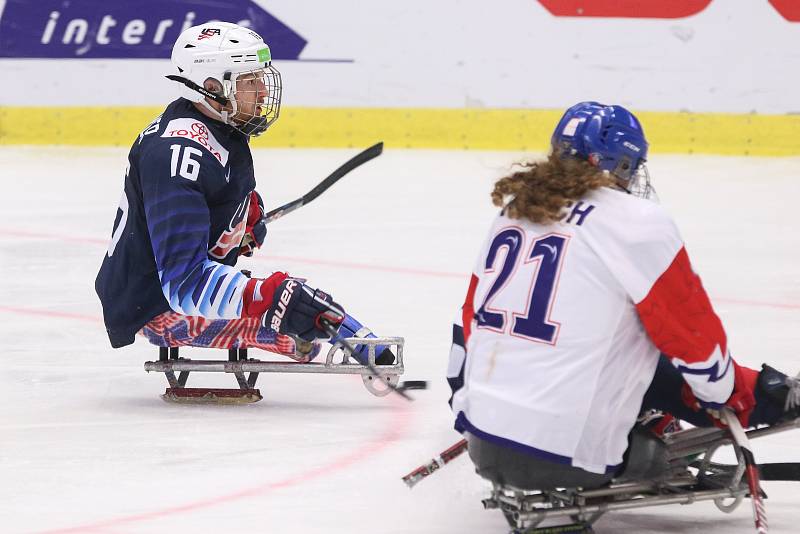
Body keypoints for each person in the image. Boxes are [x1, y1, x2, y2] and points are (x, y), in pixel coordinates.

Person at [447, 101, 799, 490]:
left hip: (481, 439)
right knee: (653, 349)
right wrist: (729, 394)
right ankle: (772, 395)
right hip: (569, 454)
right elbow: (692, 340)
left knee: (586, 335)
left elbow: (470, 318)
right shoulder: (637, 221)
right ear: (621, 165)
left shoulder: (516, 210)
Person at [95, 22, 388, 364]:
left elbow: (214, 189)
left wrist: (238, 217)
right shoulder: (178, 157)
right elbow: (183, 284)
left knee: (296, 312)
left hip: (168, 284)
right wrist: (268, 297)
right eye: (250, 81)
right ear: (211, 86)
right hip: (157, 306)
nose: (263, 92)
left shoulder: (214, 126)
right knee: (294, 324)